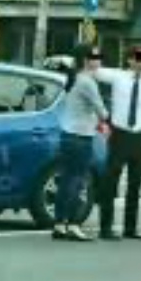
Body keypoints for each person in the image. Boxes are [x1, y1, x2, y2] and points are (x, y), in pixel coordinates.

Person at [95, 45, 141, 241]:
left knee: (135, 184)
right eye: (140, 58)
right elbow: (94, 71)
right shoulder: (118, 77)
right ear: (130, 60)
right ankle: (106, 227)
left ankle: (130, 228)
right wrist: (88, 55)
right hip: (120, 135)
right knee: (110, 181)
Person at [52, 45, 110, 243]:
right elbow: (102, 111)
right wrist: (105, 119)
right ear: (86, 60)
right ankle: (74, 224)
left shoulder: (73, 78)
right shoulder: (87, 82)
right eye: (95, 57)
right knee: (78, 181)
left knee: (66, 180)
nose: (99, 60)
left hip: (67, 135)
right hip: (81, 137)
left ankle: (59, 224)